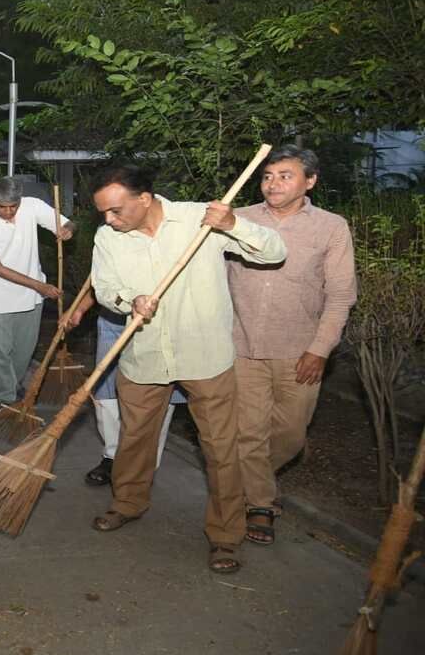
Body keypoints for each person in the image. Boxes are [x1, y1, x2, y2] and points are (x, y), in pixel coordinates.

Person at [89, 165, 286, 574]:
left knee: (220, 448)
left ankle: (225, 536)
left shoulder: (202, 218)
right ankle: (127, 503)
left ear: (144, 198)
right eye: (103, 213)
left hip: (205, 356)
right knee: (134, 438)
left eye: (115, 210)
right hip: (144, 356)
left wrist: (233, 223)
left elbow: (274, 252)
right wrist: (130, 300)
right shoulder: (108, 237)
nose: (109, 219)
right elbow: (104, 288)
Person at [227, 145, 357, 546]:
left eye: (285, 175)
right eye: (267, 176)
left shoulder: (331, 227)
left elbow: (340, 295)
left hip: (300, 351)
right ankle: (260, 505)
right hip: (240, 346)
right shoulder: (238, 220)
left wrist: (320, 348)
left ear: (310, 181)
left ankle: (240, 482)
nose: (273, 183)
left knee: (291, 435)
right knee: (248, 433)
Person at [0, 177, 72, 407]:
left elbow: (66, 223)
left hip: (30, 299)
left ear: (20, 200)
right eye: (1, 207)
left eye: (13, 206)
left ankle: (13, 385)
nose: (8, 212)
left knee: (24, 350)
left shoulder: (32, 206)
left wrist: (67, 231)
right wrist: (40, 286)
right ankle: (6, 398)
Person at [63, 291, 186, 486]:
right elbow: (100, 276)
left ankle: (145, 464)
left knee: (160, 391)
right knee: (106, 388)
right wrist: (79, 307)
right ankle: (112, 457)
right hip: (115, 318)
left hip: (161, 321)